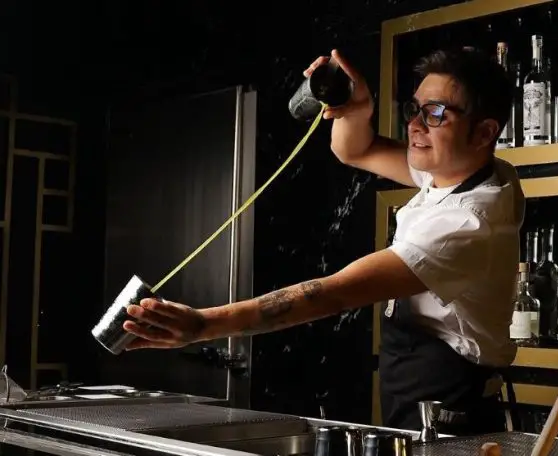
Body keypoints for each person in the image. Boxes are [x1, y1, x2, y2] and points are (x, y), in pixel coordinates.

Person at [122, 46, 525, 436]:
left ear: (484, 132)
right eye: (414, 109)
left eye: (436, 113)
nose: (416, 125)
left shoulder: (467, 222)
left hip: (455, 417)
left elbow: (332, 294)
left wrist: (203, 324)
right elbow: (357, 149)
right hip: (423, 400)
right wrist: (357, 107)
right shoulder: (469, 173)